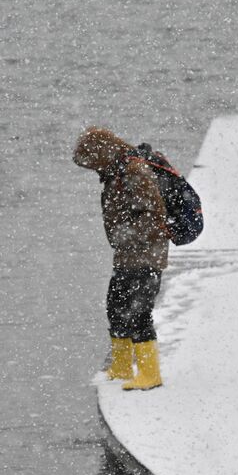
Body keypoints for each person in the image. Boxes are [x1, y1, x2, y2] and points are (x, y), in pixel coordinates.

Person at [72, 127, 169, 390]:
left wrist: (125, 233)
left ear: (102, 152)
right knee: (116, 307)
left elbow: (154, 217)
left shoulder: (134, 172)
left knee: (139, 312)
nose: (92, 169)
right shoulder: (115, 173)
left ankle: (150, 374)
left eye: (91, 162)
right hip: (127, 256)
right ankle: (121, 366)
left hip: (147, 257)